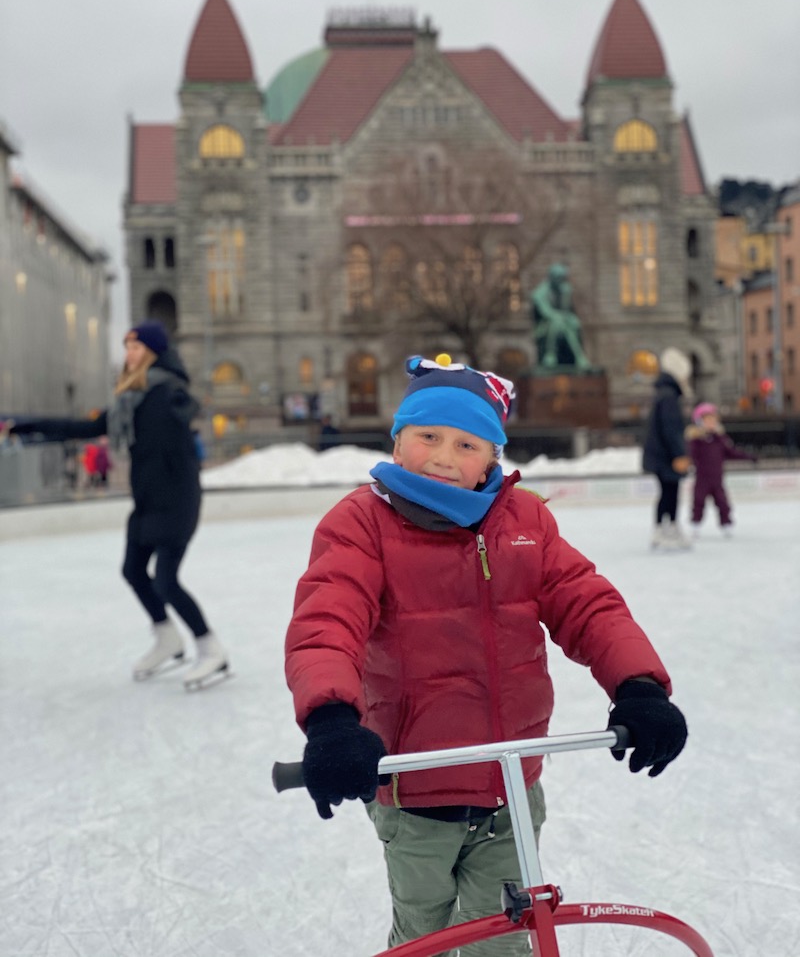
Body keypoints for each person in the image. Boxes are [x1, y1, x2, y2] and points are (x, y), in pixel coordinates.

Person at [285, 353, 687, 955]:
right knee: (428, 935)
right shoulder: (361, 525)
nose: (445, 457)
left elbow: (588, 605)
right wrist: (332, 720)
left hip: (512, 789)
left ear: (491, 461)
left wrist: (639, 687)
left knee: (501, 941)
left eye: (468, 445)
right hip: (416, 793)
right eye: (428, 437)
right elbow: (327, 620)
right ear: (398, 443)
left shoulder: (523, 521)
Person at [8, 321, 229, 689]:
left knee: (167, 581)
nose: (129, 354)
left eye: (137, 347)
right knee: (133, 571)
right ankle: (167, 638)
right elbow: (87, 428)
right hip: (147, 501)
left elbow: (184, 414)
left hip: (176, 500)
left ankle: (211, 647)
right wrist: (22, 425)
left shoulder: (165, 393)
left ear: (155, 353)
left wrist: (182, 409)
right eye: (127, 347)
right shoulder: (133, 399)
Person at [642, 346, 693, 551]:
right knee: (669, 491)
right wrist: (679, 454)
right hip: (666, 456)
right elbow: (670, 428)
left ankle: (666, 528)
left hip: (660, 454)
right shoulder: (669, 396)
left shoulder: (663, 393)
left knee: (667, 491)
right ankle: (666, 528)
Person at [687, 402, 757, 538]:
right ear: (699, 422)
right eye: (707, 420)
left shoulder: (720, 439)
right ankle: (695, 524)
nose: (711, 423)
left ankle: (726, 524)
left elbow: (731, 453)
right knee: (698, 502)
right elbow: (688, 456)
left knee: (722, 502)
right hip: (702, 478)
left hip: (717, 479)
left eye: (713, 420)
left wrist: (749, 457)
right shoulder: (696, 441)